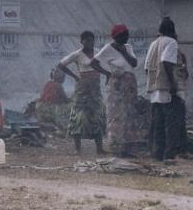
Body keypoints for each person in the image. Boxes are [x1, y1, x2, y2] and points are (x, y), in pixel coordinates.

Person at [58, 31, 109, 155]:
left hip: (95, 89)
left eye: (91, 40)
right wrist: (75, 76)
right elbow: (61, 64)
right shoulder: (77, 54)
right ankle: (78, 149)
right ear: (82, 41)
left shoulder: (98, 52)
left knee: (97, 116)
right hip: (82, 89)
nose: (89, 43)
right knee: (79, 117)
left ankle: (99, 148)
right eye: (87, 40)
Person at [96, 25, 142, 157]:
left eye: (127, 34)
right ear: (117, 36)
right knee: (115, 115)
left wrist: (124, 52)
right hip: (116, 83)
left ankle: (127, 148)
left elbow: (133, 63)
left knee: (130, 114)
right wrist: (108, 74)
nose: (127, 37)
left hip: (129, 83)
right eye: (124, 34)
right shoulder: (108, 48)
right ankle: (115, 148)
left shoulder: (128, 47)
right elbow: (94, 63)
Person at [144, 18, 181, 163]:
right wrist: (172, 83)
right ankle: (169, 154)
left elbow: (146, 67)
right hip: (165, 86)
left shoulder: (154, 43)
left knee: (157, 122)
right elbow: (166, 61)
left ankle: (156, 153)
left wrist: (152, 81)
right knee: (170, 122)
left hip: (153, 88)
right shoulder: (171, 42)